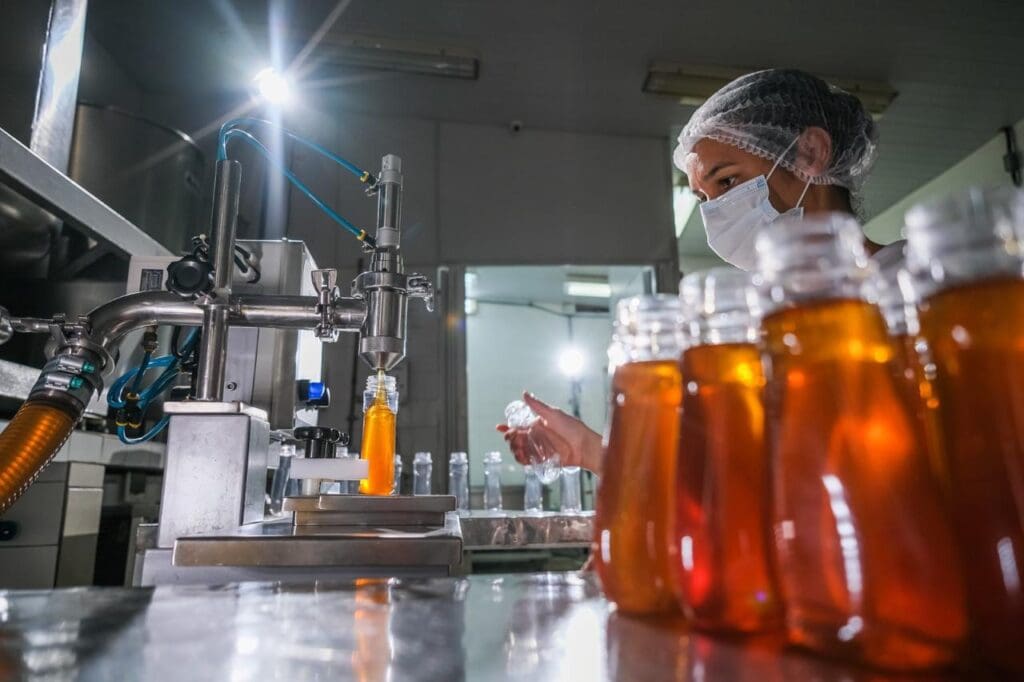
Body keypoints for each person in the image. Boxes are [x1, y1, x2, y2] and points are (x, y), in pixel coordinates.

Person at [499, 68, 886, 473]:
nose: (716, 211)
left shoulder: (908, 286)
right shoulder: (754, 331)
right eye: (703, 196)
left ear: (810, 153)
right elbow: (718, 482)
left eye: (728, 180)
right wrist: (584, 449)